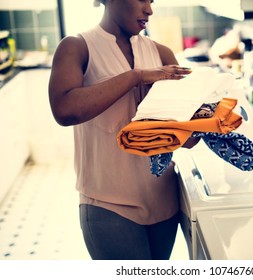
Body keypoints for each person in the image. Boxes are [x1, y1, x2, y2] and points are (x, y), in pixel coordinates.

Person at [48, 0, 197, 260]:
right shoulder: (76, 47)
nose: (149, 10)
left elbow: (184, 138)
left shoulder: (162, 54)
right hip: (108, 206)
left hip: (164, 201)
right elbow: (64, 110)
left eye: (152, 1)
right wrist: (135, 77)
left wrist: (206, 120)